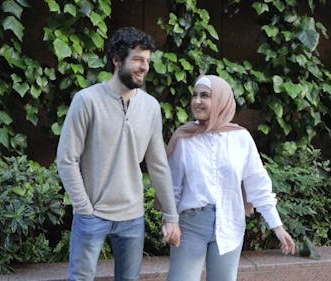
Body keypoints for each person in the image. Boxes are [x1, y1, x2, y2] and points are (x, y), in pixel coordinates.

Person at [56, 26, 180, 281]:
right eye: (137, 59)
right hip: (93, 214)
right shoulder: (87, 100)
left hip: (133, 216)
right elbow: (67, 159)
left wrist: (171, 215)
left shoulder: (150, 107)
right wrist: (84, 208)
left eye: (147, 61)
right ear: (116, 60)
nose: (144, 66)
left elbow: (158, 164)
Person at [166, 75, 295, 281]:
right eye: (195, 95)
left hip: (230, 221)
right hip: (191, 224)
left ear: (221, 100)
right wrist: (170, 220)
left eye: (205, 95)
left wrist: (277, 227)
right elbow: (171, 187)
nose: (197, 101)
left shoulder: (240, 137)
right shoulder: (184, 137)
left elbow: (258, 184)